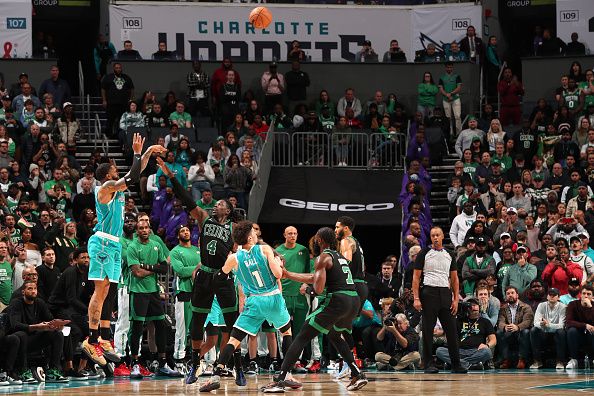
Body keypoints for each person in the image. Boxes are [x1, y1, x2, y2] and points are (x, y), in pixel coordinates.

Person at [81, 134, 166, 366]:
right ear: (107, 173)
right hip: (102, 242)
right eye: (115, 168)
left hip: (114, 243)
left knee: (109, 290)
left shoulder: (116, 190)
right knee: (100, 290)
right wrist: (138, 152)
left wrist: (147, 152)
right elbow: (132, 176)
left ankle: (105, 338)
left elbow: (135, 173)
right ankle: (91, 339)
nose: (117, 169)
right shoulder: (106, 187)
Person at [156, 157, 239, 385]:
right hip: (204, 277)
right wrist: (172, 176)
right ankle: (193, 365)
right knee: (197, 324)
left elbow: (241, 252)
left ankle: (235, 365)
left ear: (229, 210)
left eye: (221, 204)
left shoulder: (234, 228)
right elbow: (185, 197)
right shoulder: (204, 218)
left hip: (223, 277)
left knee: (231, 324)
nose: (216, 205)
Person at [262, 227, 368, 392]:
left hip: (338, 300)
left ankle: (280, 379)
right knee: (334, 335)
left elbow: (318, 288)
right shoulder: (338, 256)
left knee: (302, 335)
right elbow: (315, 277)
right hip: (353, 300)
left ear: (320, 240)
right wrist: (289, 274)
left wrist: (308, 288)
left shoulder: (323, 257)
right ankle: (356, 373)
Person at [198, 221, 293, 392]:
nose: (257, 235)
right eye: (254, 233)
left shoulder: (233, 258)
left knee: (234, 340)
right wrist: (277, 262)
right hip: (272, 298)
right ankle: (286, 374)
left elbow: (218, 278)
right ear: (250, 237)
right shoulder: (265, 250)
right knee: (286, 332)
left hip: (253, 301)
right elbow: (279, 274)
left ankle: (216, 374)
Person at [126, 221, 180, 378]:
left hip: (153, 292)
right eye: (141, 228)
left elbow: (165, 267)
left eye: (146, 227)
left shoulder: (156, 244)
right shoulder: (132, 247)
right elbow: (137, 273)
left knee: (161, 325)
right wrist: (154, 269)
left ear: (150, 229)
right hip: (137, 291)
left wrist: (147, 266)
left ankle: (162, 363)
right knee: (137, 328)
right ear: (137, 231)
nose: (144, 230)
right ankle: (134, 364)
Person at [413, 226, 467, 373]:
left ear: (443, 236)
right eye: (432, 236)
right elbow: (416, 278)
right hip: (428, 292)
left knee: (451, 330)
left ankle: (456, 365)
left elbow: (455, 279)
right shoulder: (424, 253)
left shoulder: (450, 254)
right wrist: (416, 298)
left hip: (445, 293)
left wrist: (456, 300)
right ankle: (428, 364)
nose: (435, 238)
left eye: (437, 235)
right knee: (428, 330)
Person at [8, 280, 68, 382]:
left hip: (34, 340)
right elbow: (15, 325)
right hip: (19, 340)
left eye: (35, 289)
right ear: (23, 292)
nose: (33, 291)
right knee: (21, 335)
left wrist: (56, 326)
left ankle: (53, 371)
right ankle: (23, 371)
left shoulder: (40, 302)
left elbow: (50, 319)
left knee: (57, 334)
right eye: (30, 289)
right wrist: (37, 327)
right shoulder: (16, 303)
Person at [48, 246, 93, 379]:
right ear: (75, 260)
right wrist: (88, 311)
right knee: (75, 331)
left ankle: (83, 367)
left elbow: (90, 294)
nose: (86, 260)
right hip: (57, 308)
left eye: (87, 257)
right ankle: (68, 367)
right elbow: (71, 298)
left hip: (72, 309)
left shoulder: (87, 273)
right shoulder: (71, 272)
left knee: (92, 331)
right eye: (83, 257)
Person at [169, 225, 200, 369]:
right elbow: (180, 271)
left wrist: (198, 268)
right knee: (182, 327)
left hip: (200, 292)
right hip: (184, 292)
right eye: (182, 231)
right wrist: (197, 267)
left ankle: (198, 359)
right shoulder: (175, 251)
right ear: (178, 235)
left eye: (187, 230)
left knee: (199, 327)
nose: (186, 232)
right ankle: (179, 357)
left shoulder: (197, 250)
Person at [436, 298, 496, 370]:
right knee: (439, 351)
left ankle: (456, 364)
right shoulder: (458, 320)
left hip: (475, 351)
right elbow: (447, 333)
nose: (473, 307)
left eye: (475, 305)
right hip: (458, 351)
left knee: (487, 352)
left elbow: (493, 340)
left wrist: (487, 345)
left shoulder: (485, 322)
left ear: (479, 307)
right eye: (471, 306)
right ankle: (470, 365)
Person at [496, 286, 534, 369]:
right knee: (499, 332)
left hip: (520, 331)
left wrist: (517, 327)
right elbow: (500, 321)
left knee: (526, 332)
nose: (510, 295)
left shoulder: (526, 307)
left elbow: (528, 321)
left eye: (512, 293)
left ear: (517, 295)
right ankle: (505, 360)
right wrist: (505, 327)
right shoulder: (503, 308)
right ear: (506, 296)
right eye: (508, 294)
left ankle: (522, 359)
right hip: (509, 331)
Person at [529, 287, 567, 369]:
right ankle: (537, 361)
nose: (552, 296)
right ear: (547, 296)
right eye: (550, 295)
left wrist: (548, 325)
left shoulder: (563, 307)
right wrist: (542, 324)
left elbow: (562, 325)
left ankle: (560, 361)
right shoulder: (541, 305)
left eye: (554, 295)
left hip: (556, 334)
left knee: (561, 332)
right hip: (544, 333)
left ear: (558, 297)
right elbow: (536, 323)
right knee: (534, 330)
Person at [101, 63, 134, 138]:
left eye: (119, 68)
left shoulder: (126, 77)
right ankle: (108, 135)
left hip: (123, 103)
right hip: (111, 103)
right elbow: (103, 89)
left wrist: (131, 99)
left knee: (121, 120)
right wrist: (104, 100)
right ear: (114, 69)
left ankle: (119, 136)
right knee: (110, 120)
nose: (118, 69)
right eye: (116, 68)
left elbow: (131, 89)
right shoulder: (108, 77)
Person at [565, 284, 594, 369]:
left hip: (591, 333)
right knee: (571, 331)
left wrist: (590, 307)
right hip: (577, 333)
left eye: (588, 294)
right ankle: (574, 360)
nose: (586, 296)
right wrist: (585, 325)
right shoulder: (572, 304)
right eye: (584, 293)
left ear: (592, 296)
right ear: (580, 294)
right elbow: (569, 321)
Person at [439, 62, 463, 136]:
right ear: (445, 68)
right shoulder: (441, 77)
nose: (449, 68)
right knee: (448, 118)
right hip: (446, 99)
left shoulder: (457, 76)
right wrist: (447, 95)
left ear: (452, 68)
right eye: (448, 67)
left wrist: (451, 94)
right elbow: (441, 89)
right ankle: (450, 133)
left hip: (455, 98)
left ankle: (459, 134)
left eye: (450, 67)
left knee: (457, 116)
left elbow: (459, 88)